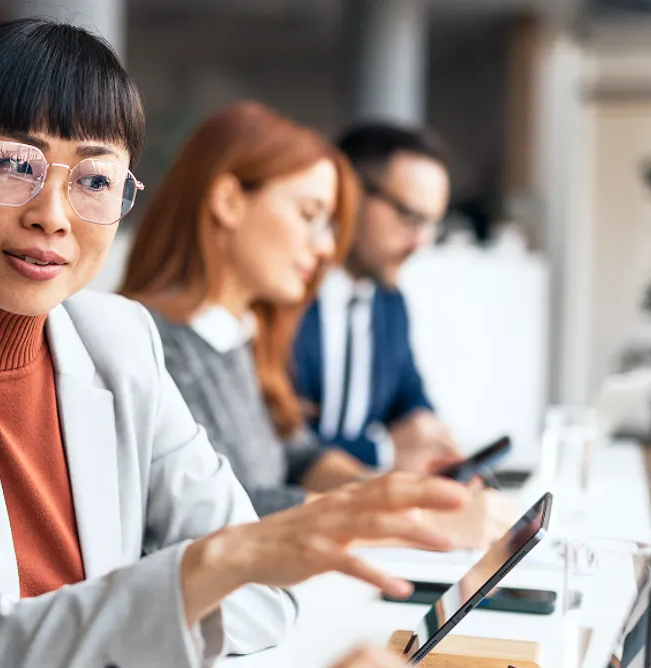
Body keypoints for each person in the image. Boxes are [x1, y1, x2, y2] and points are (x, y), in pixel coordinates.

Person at [0, 19, 472, 668]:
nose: (53, 216)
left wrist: (200, 576)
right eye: (13, 164)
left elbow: (262, 601)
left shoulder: (120, 339)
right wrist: (202, 568)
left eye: (95, 180)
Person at [118, 102, 512, 548]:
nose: (326, 248)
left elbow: (296, 454)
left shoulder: (240, 335)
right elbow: (219, 510)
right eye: (309, 216)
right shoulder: (150, 344)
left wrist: (398, 499)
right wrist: (407, 524)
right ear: (228, 201)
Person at [292, 122, 459, 472]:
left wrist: (430, 434)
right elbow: (275, 446)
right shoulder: (284, 297)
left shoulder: (390, 304)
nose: (421, 243)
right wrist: (383, 449)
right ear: (349, 193)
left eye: (431, 224)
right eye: (409, 216)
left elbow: (408, 394)